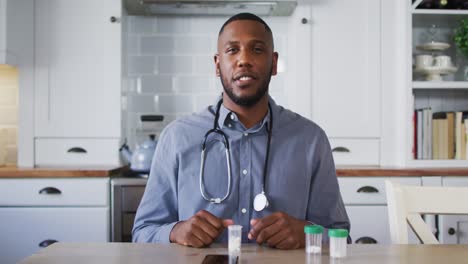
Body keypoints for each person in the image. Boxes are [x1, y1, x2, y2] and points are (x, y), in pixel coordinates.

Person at [132, 12, 350, 250]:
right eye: (232, 50)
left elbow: (342, 237)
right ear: (217, 64)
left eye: (256, 49)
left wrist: (307, 232)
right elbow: (143, 233)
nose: (244, 59)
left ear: (274, 63)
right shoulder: (176, 137)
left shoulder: (310, 140)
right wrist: (175, 231)